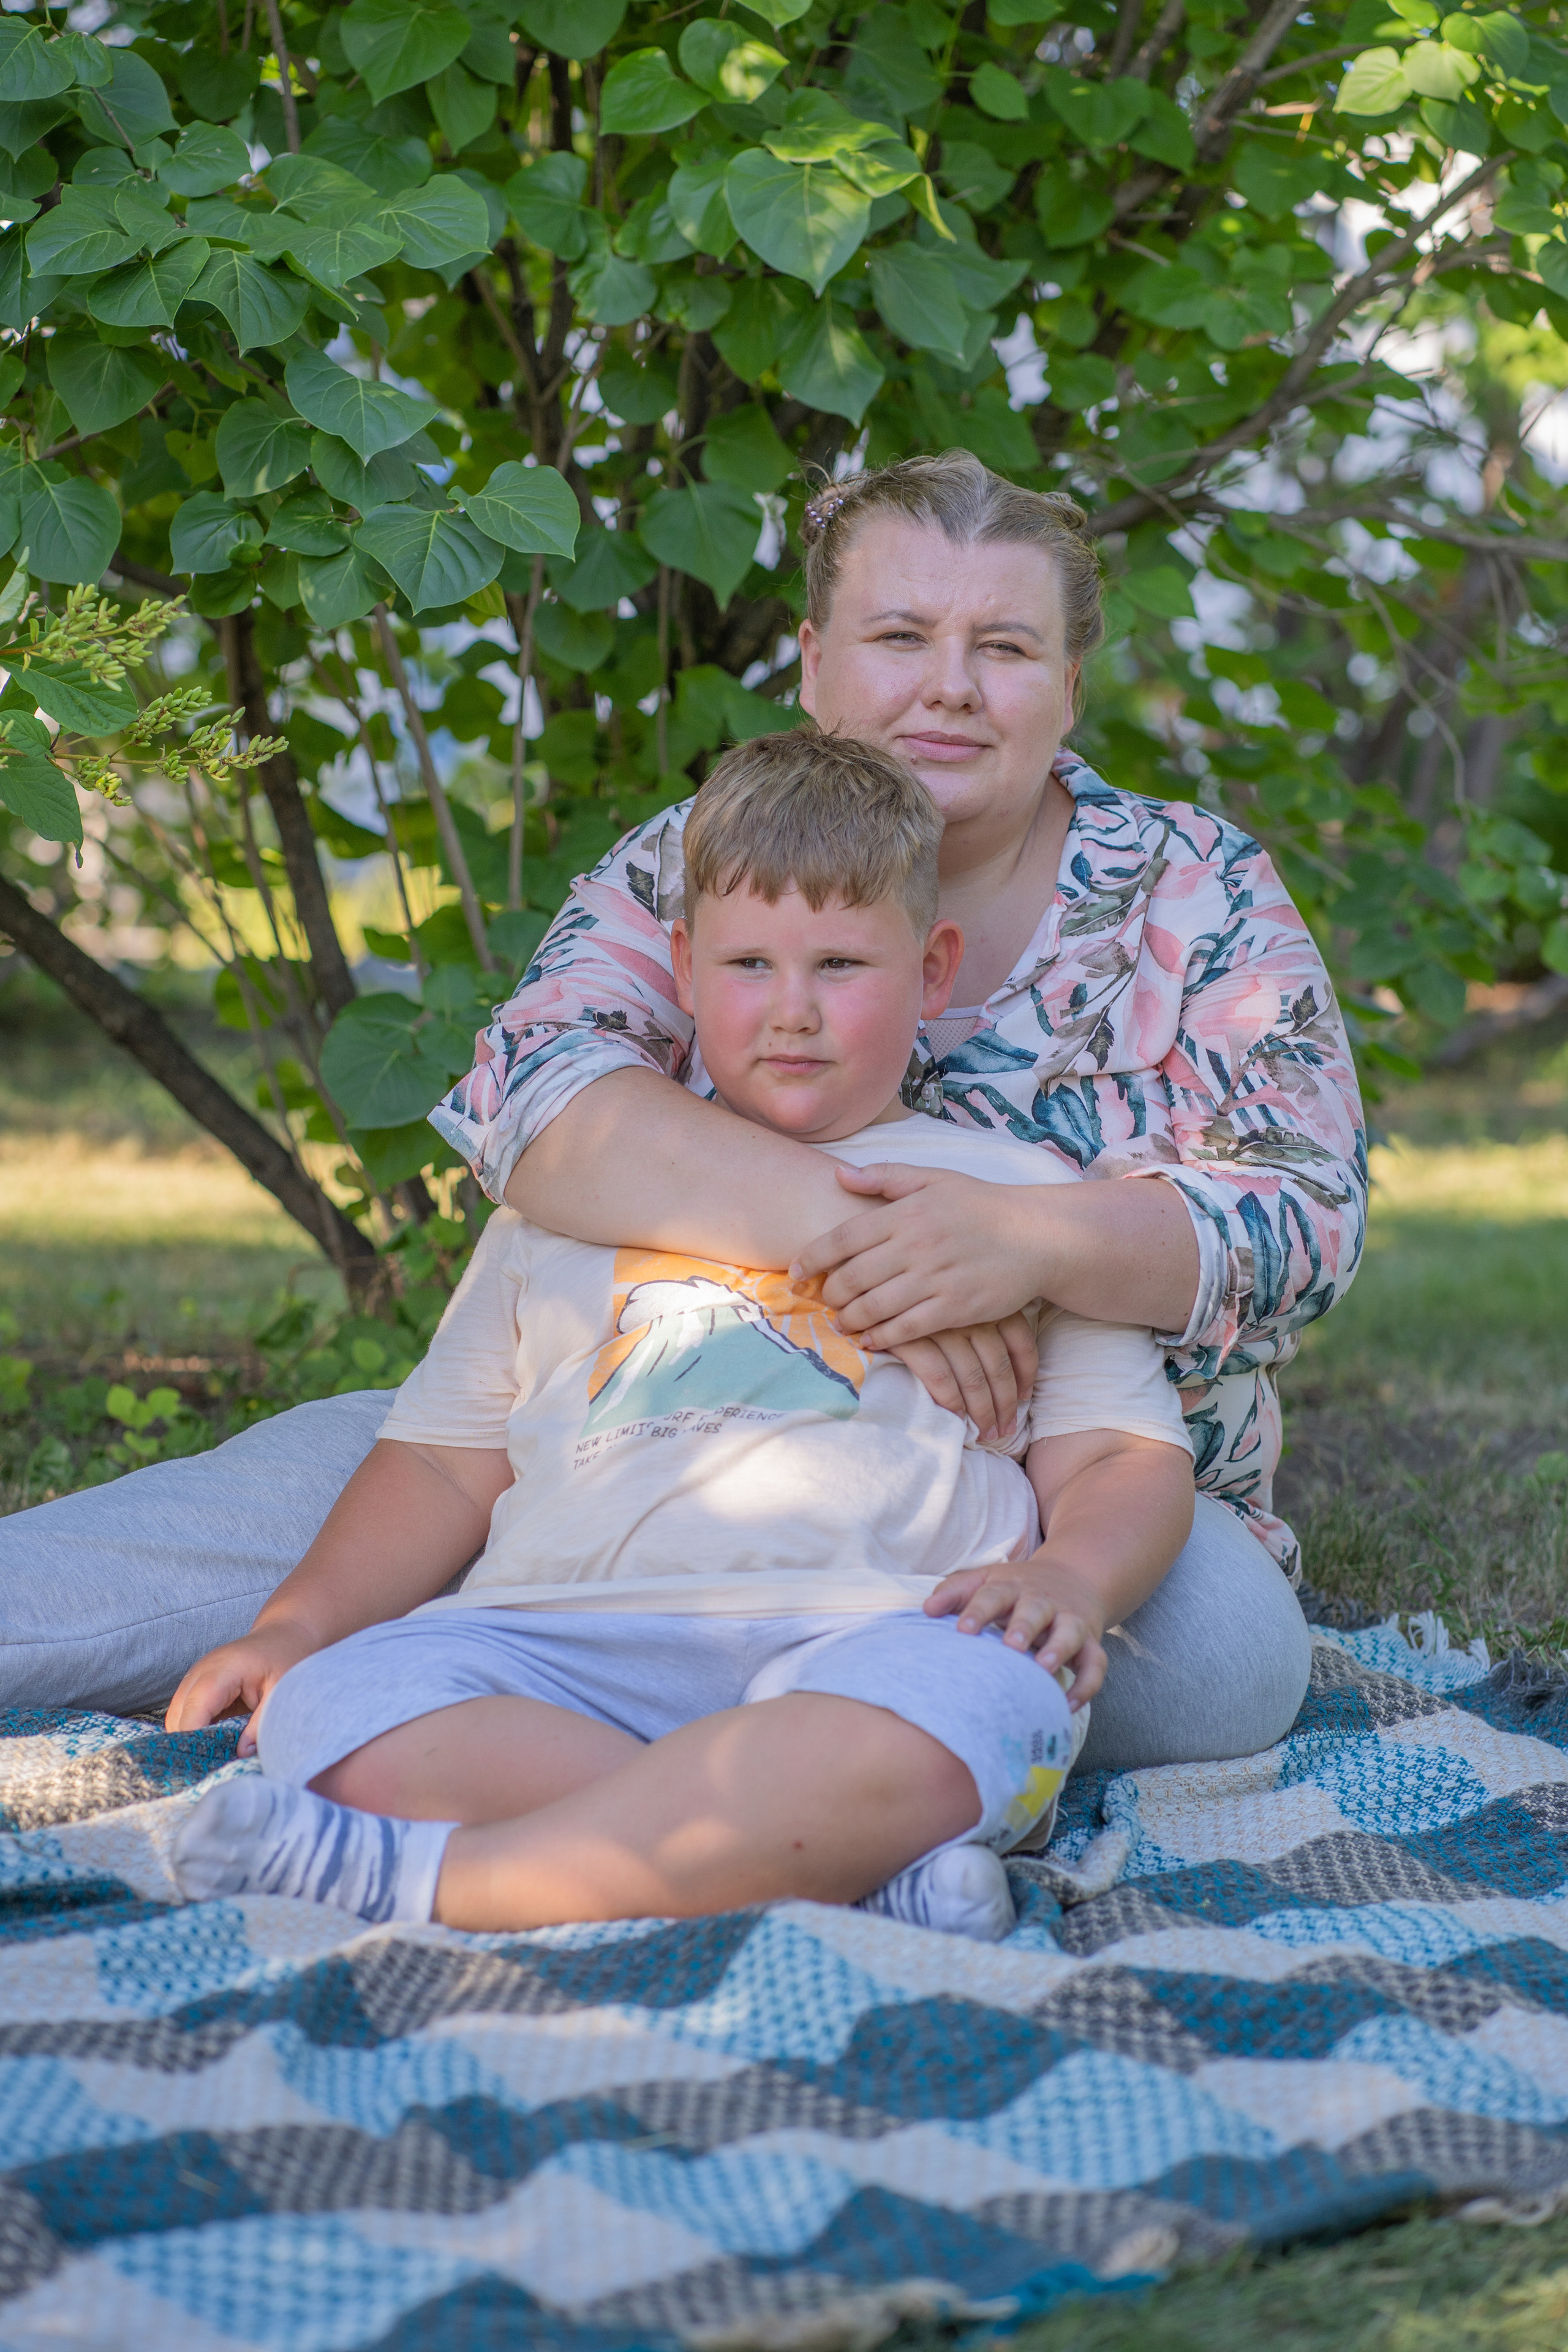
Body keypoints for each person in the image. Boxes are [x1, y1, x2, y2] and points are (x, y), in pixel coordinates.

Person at [0, 449, 1351, 1755]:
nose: (948, 689)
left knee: (1217, 1666)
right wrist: (891, 1260)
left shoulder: (1193, 887)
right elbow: (533, 1098)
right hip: (639, 1424)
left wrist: (1026, 1247)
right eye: (897, 636)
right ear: (813, 663)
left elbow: (1301, 1220)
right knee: (354, 1494)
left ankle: (622, 1698)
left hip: (1062, 1504)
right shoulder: (697, 862)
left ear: (1065, 683)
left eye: (1001, 649)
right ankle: (603, 1661)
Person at [170, 734, 1195, 1943]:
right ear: (682, 968)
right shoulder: (576, 1192)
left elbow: (1123, 1454)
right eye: (749, 963)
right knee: (333, 1710)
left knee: (976, 1713)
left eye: (840, 964)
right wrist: (297, 1625)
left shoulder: (1007, 1197)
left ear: (931, 971)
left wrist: (1068, 1578)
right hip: (562, 1650)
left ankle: (431, 1883)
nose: (792, 1010)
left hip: (871, 1636)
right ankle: (841, 1865)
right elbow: (445, 1460)